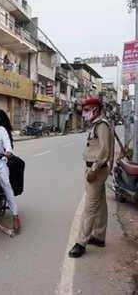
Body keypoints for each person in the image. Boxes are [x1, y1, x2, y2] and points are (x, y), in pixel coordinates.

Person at [68, 96, 115, 258]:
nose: (84, 113)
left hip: (96, 170)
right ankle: (99, 236)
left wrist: (94, 169)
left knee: (90, 207)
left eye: (87, 110)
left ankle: (81, 242)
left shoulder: (102, 125)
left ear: (95, 109)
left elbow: (104, 150)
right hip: (96, 169)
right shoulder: (97, 124)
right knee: (100, 204)